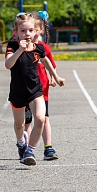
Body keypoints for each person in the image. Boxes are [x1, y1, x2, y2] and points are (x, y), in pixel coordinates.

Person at [6, 12, 64, 166]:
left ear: (35, 31)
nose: (27, 34)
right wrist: (20, 50)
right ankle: (21, 143)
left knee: (40, 119)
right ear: (16, 32)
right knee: (19, 125)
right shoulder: (13, 46)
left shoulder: (38, 47)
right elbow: (8, 65)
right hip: (18, 92)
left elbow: (46, 61)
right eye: (23, 31)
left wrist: (56, 77)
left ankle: (30, 151)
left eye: (30, 30)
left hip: (36, 91)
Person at [24, 11, 65, 161]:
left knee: (44, 118)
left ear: (40, 30)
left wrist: (54, 77)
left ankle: (48, 147)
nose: (30, 33)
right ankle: (27, 149)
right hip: (25, 88)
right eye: (27, 30)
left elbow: (51, 64)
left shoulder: (43, 48)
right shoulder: (21, 47)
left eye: (34, 29)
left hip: (41, 88)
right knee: (27, 122)